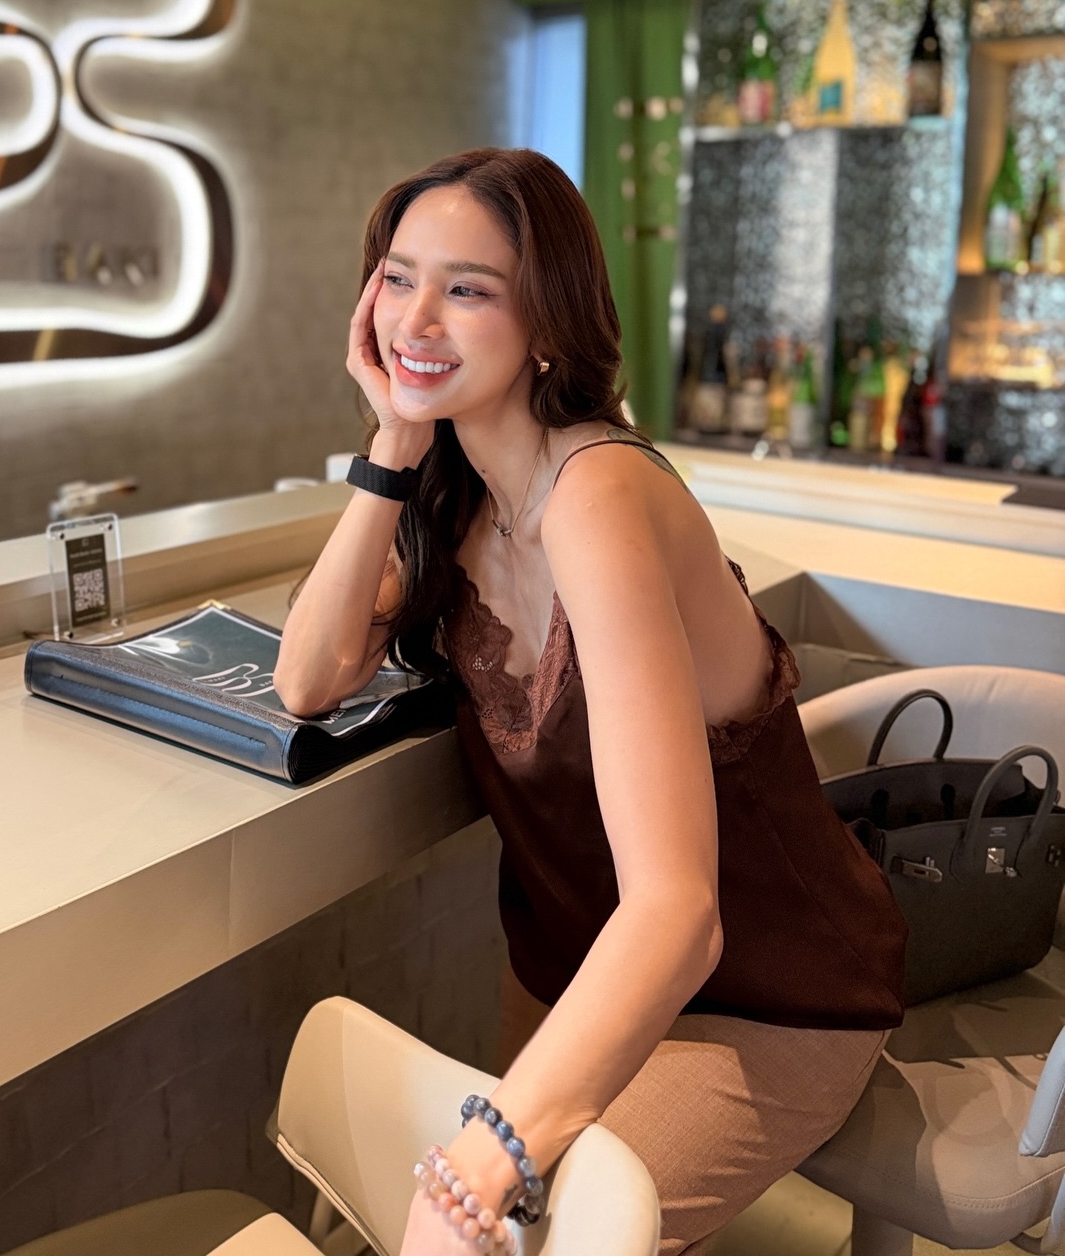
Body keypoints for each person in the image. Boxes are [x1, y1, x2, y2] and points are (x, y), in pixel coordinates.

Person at [274, 148, 906, 1256]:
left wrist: (482, 1161)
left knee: (526, 1235)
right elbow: (308, 676)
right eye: (398, 277)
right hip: (578, 975)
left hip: (767, 996)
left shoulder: (598, 490)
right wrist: (393, 439)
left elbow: (678, 913)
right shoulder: (455, 492)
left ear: (547, 322)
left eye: (468, 289)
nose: (416, 318)